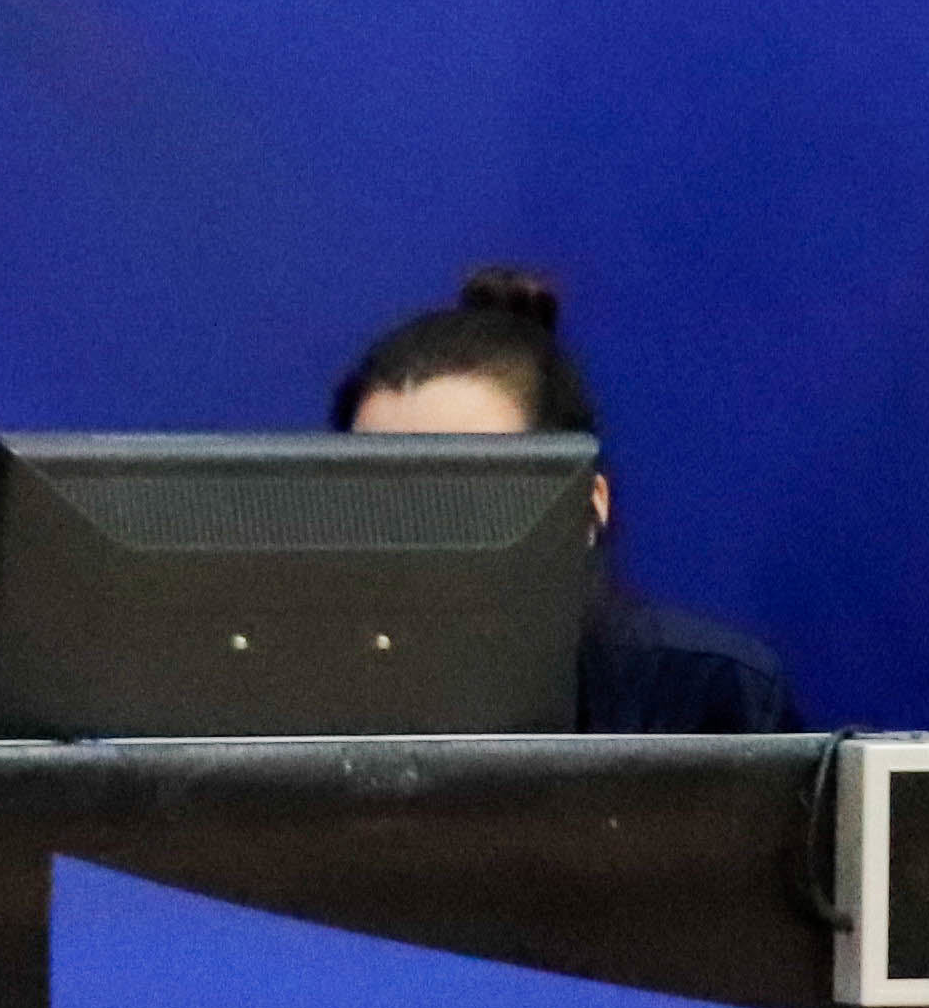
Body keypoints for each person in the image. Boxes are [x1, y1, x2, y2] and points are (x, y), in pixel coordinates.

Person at [332, 267, 797, 734]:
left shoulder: (708, 694)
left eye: (469, 492)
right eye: (381, 494)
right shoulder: (311, 695)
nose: (421, 534)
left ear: (588, 508)